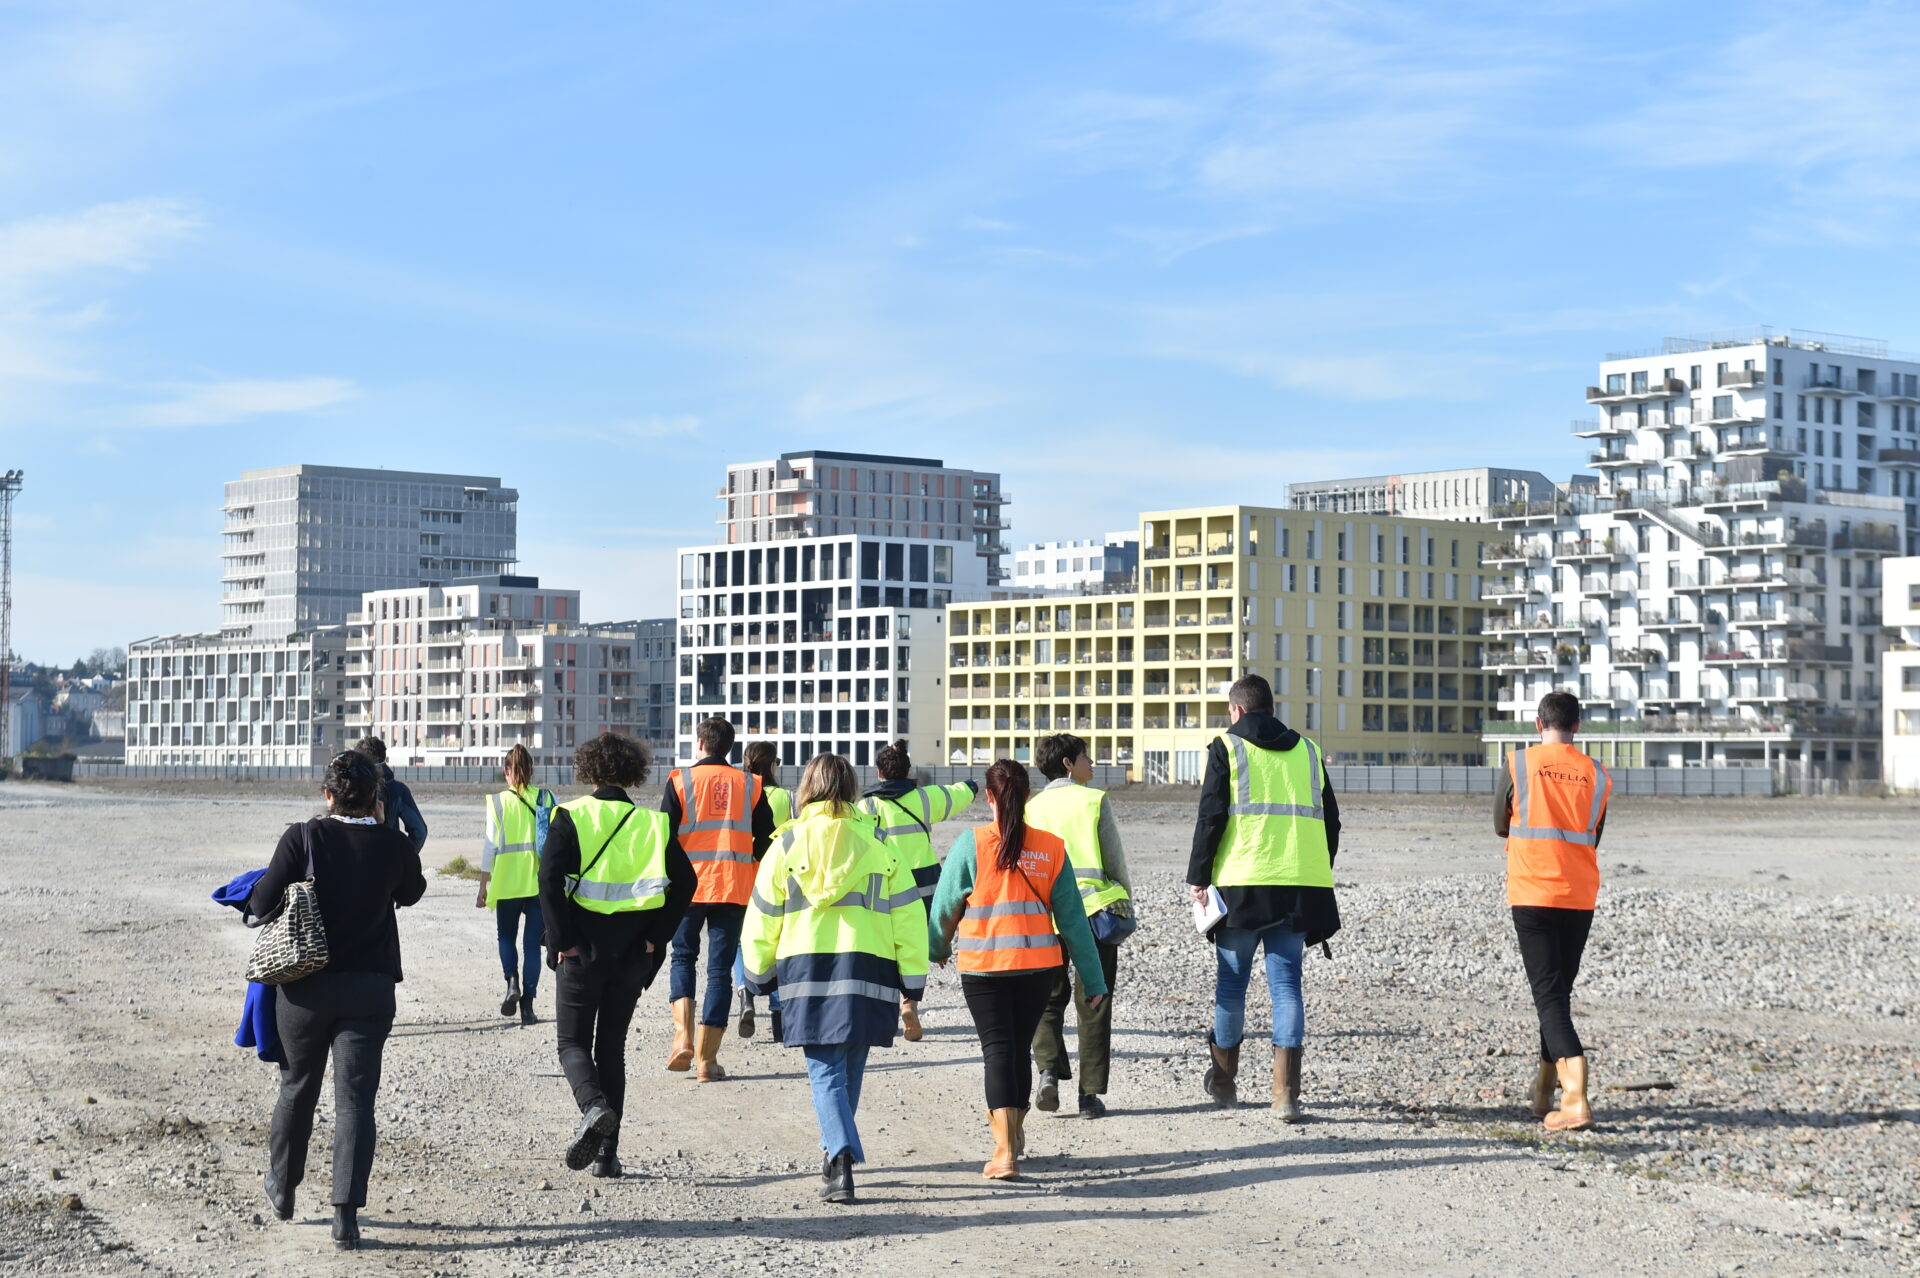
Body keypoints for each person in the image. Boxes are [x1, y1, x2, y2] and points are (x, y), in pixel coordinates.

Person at [248, 751, 425, 1251]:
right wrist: (387, 833)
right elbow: (412, 893)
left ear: (327, 795)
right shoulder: (392, 843)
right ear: (375, 799)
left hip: (305, 988)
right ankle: (344, 1218)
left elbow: (261, 903)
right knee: (355, 1103)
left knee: (297, 1086)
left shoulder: (304, 836)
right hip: (369, 989)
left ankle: (283, 1188)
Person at [739, 753, 928, 1206]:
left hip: (807, 971)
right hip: (870, 966)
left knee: (825, 1073)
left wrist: (756, 975)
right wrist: (913, 980)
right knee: (849, 1070)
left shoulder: (785, 845)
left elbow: (763, 917)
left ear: (807, 787)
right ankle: (833, 1154)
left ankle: (841, 1160)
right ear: (850, 788)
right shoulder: (879, 844)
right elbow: (908, 915)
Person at [929, 759, 1107, 1181]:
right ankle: (1015, 1132)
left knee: (997, 1052)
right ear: (1028, 796)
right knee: (1019, 1050)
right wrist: (1093, 980)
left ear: (989, 797)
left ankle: (1005, 1151)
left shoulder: (970, 845)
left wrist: (936, 948)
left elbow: (943, 909)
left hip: (984, 969)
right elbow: (1074, 922)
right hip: (1037, 968)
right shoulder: (1050, 847)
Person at [540, 732, 696, 1178]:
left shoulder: (570, 815)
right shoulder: (653, 824)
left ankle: (591, 1108)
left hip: (580, 954)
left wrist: (560, 941)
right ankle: (607, 1156)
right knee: (611, 1049)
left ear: (588, 770)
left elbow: (548, 880)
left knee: (571, 1042)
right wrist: (656, 938)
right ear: (633, 772)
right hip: (632, 956)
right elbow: (686, 885)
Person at [1187, 674, 1340, 1122]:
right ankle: (1285, 1096)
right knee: (1287, 987)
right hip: (1298, 886)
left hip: (1240, 888)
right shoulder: (1309, 751)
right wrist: (1314, 867)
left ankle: (1224, 1081)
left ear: (1236, 711)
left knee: (1232, 985)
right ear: (1271, 709)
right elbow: (1331, 821)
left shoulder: (1227, 747)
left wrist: (1199, 877)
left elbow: (1210, 817)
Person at [1496, 691, 1612, 1133]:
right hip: (1579, 895)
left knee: (1548, 997)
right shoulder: (1597, 774)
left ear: (1537, 723)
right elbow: (1595, 833)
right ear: (1577, 726)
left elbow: (1498, 823)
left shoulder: (1519, 763)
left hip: (1533, 890)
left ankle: (1576, 1098)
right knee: (1557, 995)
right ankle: (1544, 1091)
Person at [661, 717, 774, 1081]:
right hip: (732, 887)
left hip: (688, 888)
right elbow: (766, 839)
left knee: (682, 957)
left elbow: (665, 837)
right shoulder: (750, 784)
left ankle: (682, 1037)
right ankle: (707, 1062)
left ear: (700, 744)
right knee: (719, 971)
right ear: (729, 747)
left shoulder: (680, 781)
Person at [1026, 733, 1131, 1119]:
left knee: (1046, 999)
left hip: (1045, 916)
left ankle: (1049, 1072)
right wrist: (1126, 903)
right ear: (1069, 763)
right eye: (1086, 757)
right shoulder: (1094, 800)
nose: (1092, 764)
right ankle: (1089, 1096)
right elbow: (1114, 859)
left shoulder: (1031, 808)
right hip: (1094, 913)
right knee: (1095, 1002)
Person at [856, 739, 977, 1042]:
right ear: (909, 771)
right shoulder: (925, 799)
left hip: (884, 883)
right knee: (915, 945)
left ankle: (883, 1009)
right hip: (924, 885)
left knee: (885, 945)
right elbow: (959, 794)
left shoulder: (866, 806)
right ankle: (909, 1003)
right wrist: (976, 783)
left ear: (879, 772)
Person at [475, 744, 556, 1025]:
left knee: (506, 937)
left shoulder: (497, 802)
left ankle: (512, 982)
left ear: (506, 772)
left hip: (507, 883)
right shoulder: (546, 798)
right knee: (532, 944)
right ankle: (528, 1007)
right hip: (537, 884)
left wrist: (483, 885)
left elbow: (490, 848)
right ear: (532, 770)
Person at [733, 742, 792, 1041]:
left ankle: (745, 994)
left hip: (742, 875)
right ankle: (779, 1013)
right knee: (778, 940)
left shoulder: (738, 792)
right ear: (770, 765)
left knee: (742, 941)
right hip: (776, 878)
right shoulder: (785, 797)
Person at [352, 736, 428, 856]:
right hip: (390, 859)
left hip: (357, 859)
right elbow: (420, 832)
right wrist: (404, 859)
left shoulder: (351, 787)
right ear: (384, 757)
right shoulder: (399, 789)